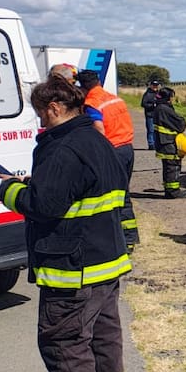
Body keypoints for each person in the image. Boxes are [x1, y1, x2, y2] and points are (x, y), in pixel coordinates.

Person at [0, 75, 131, 372]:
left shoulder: (62, 149)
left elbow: (44, 206)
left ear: (54, 109)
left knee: (64, 341)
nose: (40, 121)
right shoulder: (95, 139)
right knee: (103, 336)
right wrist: (37, 183)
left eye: (41, 114)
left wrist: (9, 189)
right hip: (105, 260)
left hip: (73, 267)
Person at [78, 69, 139, 250]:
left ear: (82, 87)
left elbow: (99, 129)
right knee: (123, 194)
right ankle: (129, 237)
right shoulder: (115, 98)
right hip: (127, 148)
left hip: (113, 151)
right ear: (98, 81)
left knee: (114, 196)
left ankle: (124, 239)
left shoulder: (92, 103)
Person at [153, 87, 186, 199]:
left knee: (169, 167)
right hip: (168, 142)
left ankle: (170, 190)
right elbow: (180, 124)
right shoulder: (164, 109)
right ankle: (173, 191)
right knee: (172, 167)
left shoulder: (159, 107)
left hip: (163, 142)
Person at [140, 78, 162, 150]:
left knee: (158, 130)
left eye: (156, 85)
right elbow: (143, 104)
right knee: (151, 130)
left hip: (158, 115)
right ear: (151, 85)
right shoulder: (147, 94)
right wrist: (152, 105)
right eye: (154, 85)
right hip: (150, 115)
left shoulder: (160, 93)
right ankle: (151, 144)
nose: (155, 87)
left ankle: (157, 143)